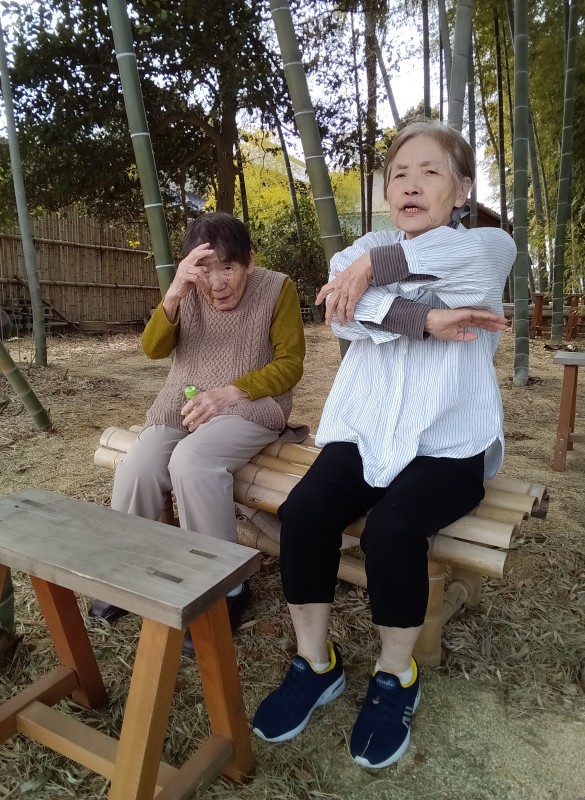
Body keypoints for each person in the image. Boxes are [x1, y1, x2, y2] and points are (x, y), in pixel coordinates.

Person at [252, 121, 516, 768]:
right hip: (368, 428)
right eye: (399, 174)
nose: (410, 185)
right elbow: (346, 313)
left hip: (451, 442)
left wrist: (375, 273)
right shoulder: (361, 248)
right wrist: (426, 317)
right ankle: (316, 663)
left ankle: (396, 675)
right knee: (305, 512)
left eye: (430, 171)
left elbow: (435, 268)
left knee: (392, 530)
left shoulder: (488, 245)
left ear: (462, 188)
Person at [90, 212, 307, 652]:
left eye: (228, 267)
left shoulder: (276, 288)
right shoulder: (186, 290)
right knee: (140, 464)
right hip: (184, 400)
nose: (217, 282)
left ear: (249, 261)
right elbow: (152, 349)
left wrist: (230, 392)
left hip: (250, 404)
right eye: (204, 269)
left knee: (192, 461)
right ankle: (127, 569)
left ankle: (226, 587)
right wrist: (173, 294)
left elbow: (291, 365)